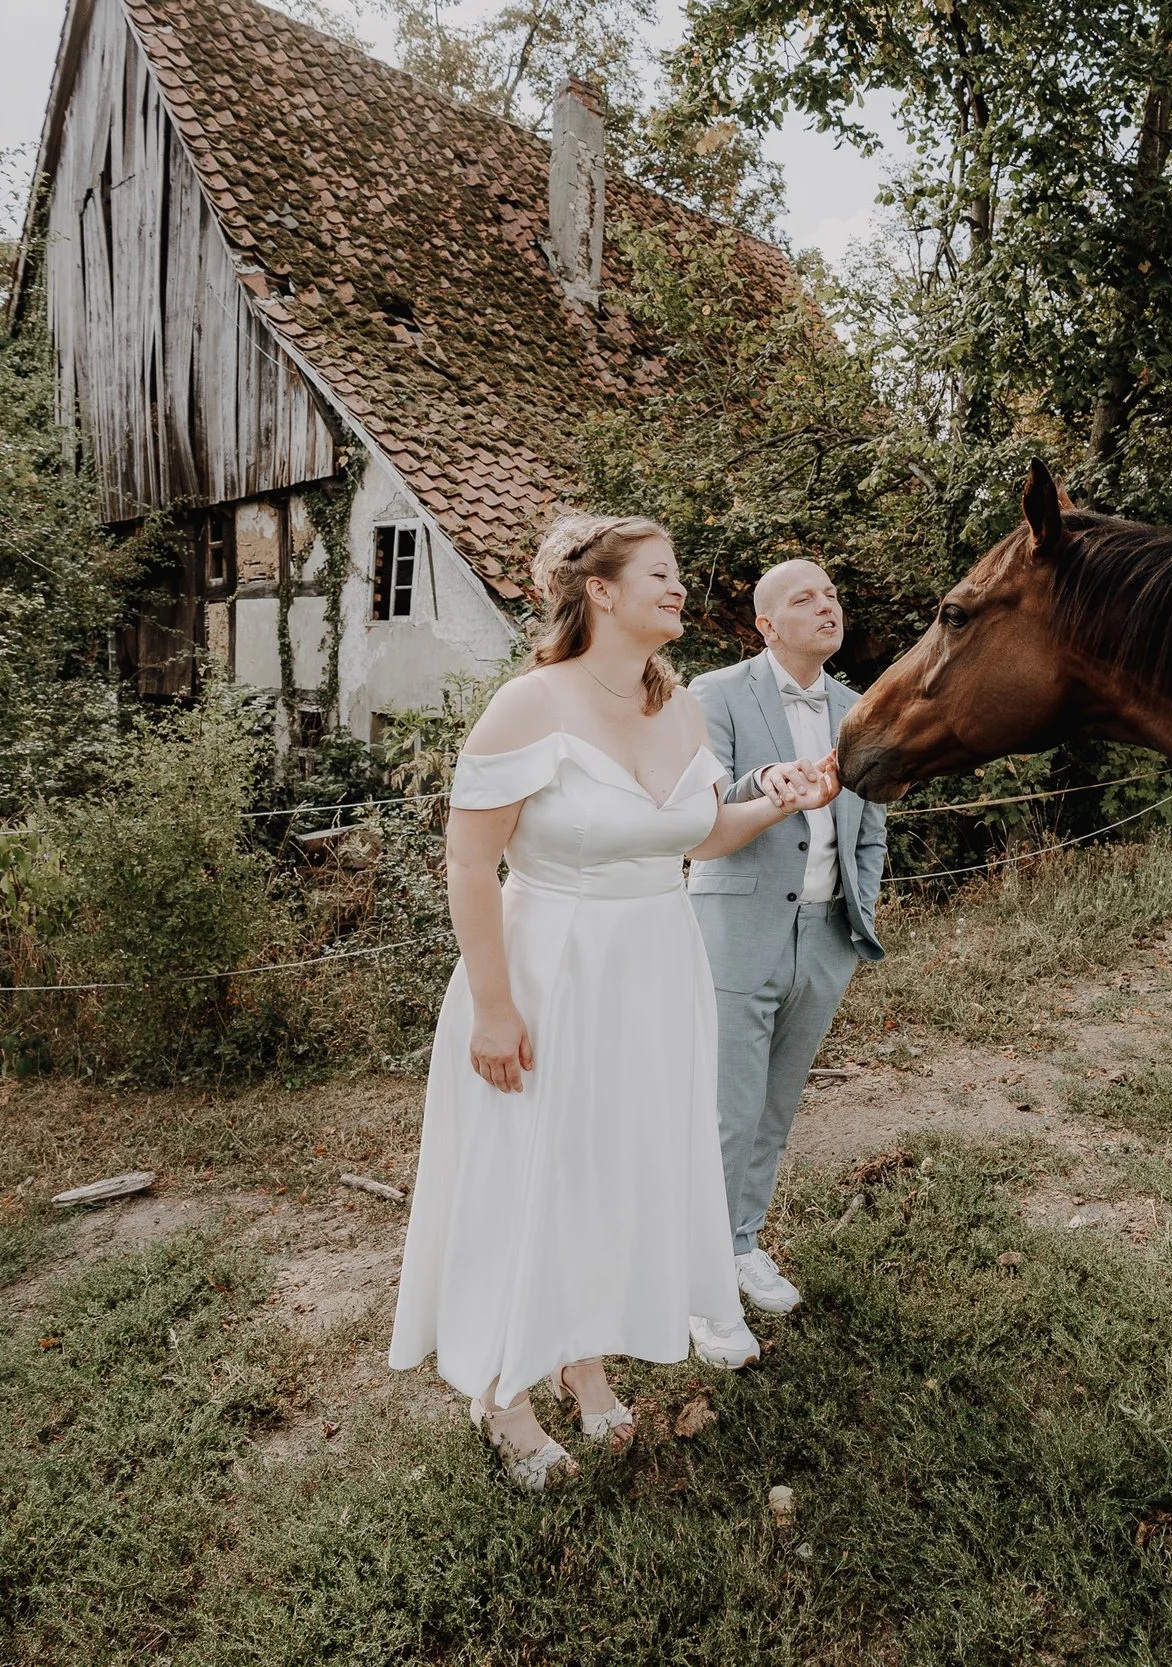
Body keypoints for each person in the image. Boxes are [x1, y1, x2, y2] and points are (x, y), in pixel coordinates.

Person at [387, 516, 840, 1490]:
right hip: (549, 970)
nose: (680, 588)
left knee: (606, 1175)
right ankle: (500, 1392)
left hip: (655, 973)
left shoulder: (676, 707)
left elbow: (696, 833)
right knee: (532, 1172)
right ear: (600, 590)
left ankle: (581, 1359)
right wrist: (494, 1008)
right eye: (660, 573)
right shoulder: (530, 704)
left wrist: (781, 800)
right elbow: (468, 860)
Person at [688, 560, 889, 1318]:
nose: (826, 606)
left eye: (831, 594)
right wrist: (763, 781)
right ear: (767, 625)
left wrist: (857, 913)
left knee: (774, 1109)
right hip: (736, 930)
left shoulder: (860, 709)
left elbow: (871, 828)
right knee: (727, 1110)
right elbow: (699, 806)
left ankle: (741, 1242)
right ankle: (701, 1267)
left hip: (827, 935)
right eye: (805, 598)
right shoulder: (716, 693)